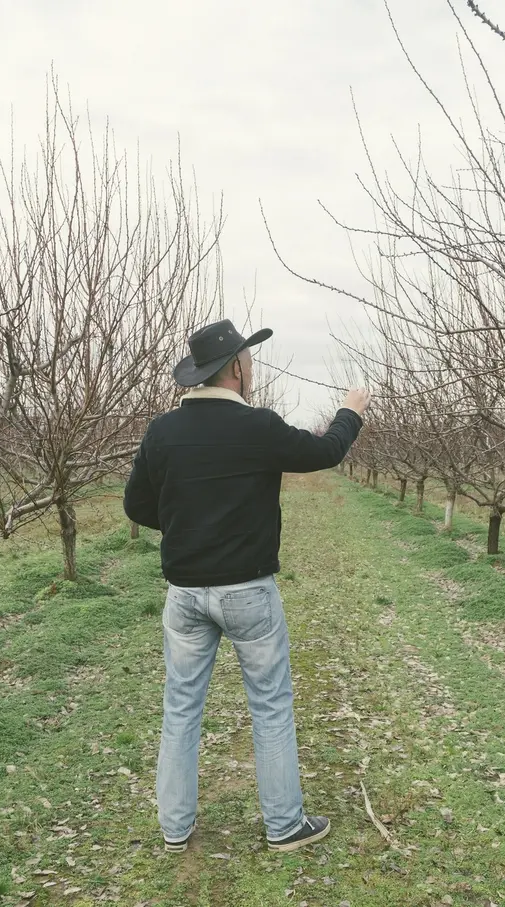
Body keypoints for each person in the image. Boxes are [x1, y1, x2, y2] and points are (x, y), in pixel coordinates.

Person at [123, 319, 370, 854]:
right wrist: (351, 410)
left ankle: (175, 827)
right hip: (248, 593)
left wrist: (192, 526)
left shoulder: (162, 431)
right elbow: (325, 451)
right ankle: (283, 826)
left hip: (184, 595)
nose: (252, 369)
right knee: (270, 706)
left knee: (181, 708)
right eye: (249, 361)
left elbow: (136, 506)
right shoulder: (258, 427)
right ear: (236, 367)